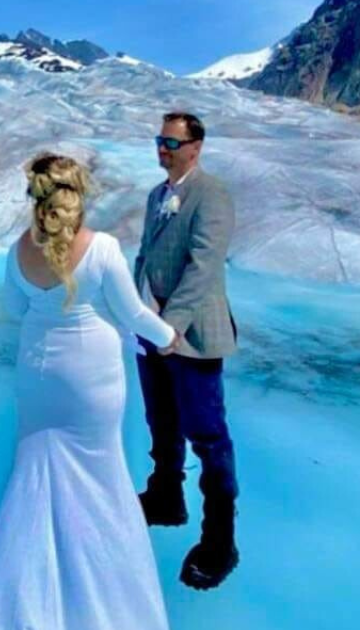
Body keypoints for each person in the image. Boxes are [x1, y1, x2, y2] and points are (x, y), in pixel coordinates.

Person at [0, 154, 178, 630]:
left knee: (35, 481)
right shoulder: (103, 248)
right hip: (91, 377)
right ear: (79, 196)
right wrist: (171, 339)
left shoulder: (17, 251)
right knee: (102, 482)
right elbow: (132, 315)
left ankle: (24, 603)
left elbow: (14, 308)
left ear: (36, 197)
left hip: (37, 375)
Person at [134, 112, 240, 590]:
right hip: (154, 332)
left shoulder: (211, 194)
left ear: (196, 146)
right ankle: (165, 498)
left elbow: (203, 266)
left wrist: (168, 327)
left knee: (208, 436)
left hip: (191, 337)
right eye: (159, 141)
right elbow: (145, 257)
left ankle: (220, 540)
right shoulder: (157, 196)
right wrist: (137, 312)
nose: (163, 149)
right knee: (161, 421)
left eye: (171, 142)